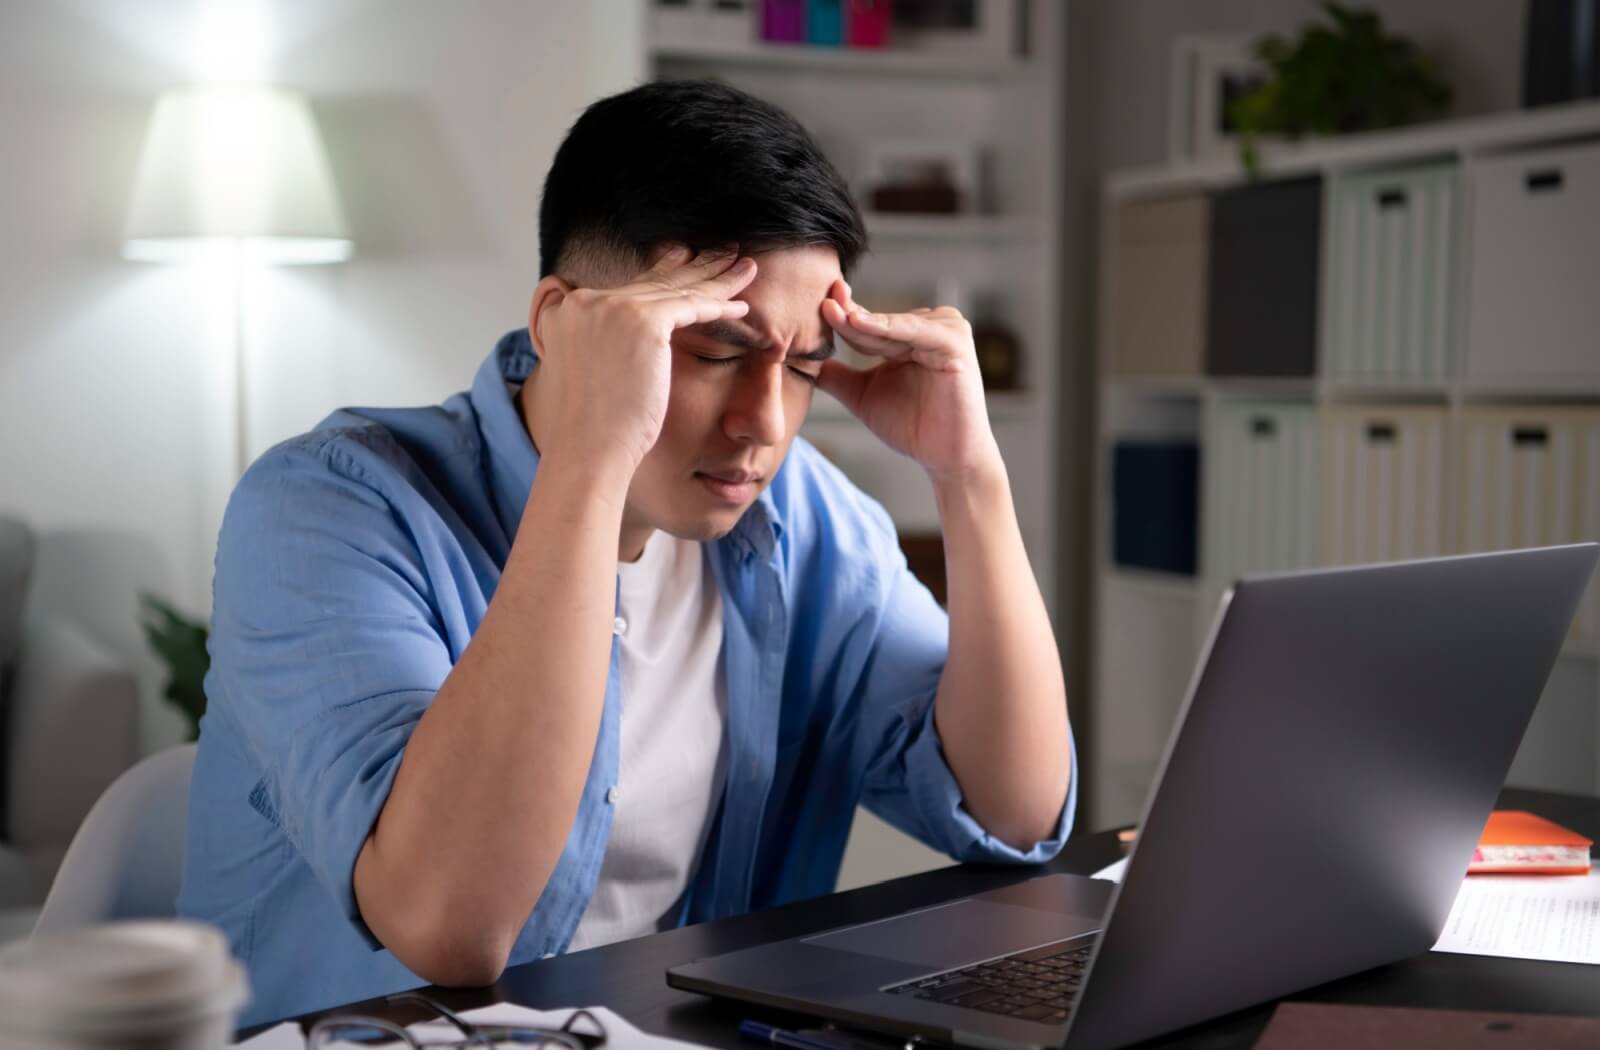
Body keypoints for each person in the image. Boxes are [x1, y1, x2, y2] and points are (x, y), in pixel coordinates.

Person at [178, 79, 1076, 1027]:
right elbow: (447, 928)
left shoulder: (806, 516)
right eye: (716, 350)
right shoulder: (325, 510)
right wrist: (592, 459)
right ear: (563, 323)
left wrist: (969, 475)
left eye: (805, 363)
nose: (764, 424)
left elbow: (1011, 811)